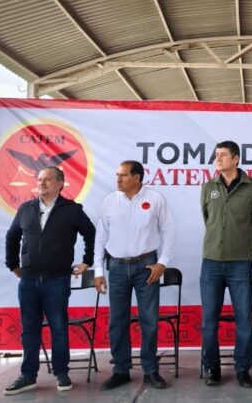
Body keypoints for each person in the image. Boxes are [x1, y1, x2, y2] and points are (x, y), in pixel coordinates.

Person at [4, 166, 95, 395]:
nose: (42, 183)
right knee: (29, 330)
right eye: (40, 179)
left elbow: (91, 233)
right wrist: (13, 265)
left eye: (47, 179)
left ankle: (61, 373)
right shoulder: (25, 209)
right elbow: (12, 236)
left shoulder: (72, 210)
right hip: (28, 281)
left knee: (58, 328)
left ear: (60, 184)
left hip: (57, 280)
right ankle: (28, 376)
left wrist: (87, 261)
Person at [93, 160, 175, 391]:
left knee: (149, 320)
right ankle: (121, 370)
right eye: (117, 175)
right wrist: (98, 270)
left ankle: (150, 370)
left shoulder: (155, 199)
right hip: (117, 267)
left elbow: (168, 231)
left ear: (137, 177)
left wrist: (162, 263)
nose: (118, 179)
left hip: (147, 267)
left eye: (123, 175)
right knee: (117, 320)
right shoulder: (110, 201)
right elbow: (101, 237)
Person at [200, 141, 252, 388]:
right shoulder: (208, 187)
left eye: (223, 155)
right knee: (209, 320)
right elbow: (208, 219)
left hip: (240, 264)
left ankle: (242, 369)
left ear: (236, 159)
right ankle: (213, 368)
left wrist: (242, 245)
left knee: (244, 320)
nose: (218, 159)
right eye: (216, 155)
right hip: (211, 263)